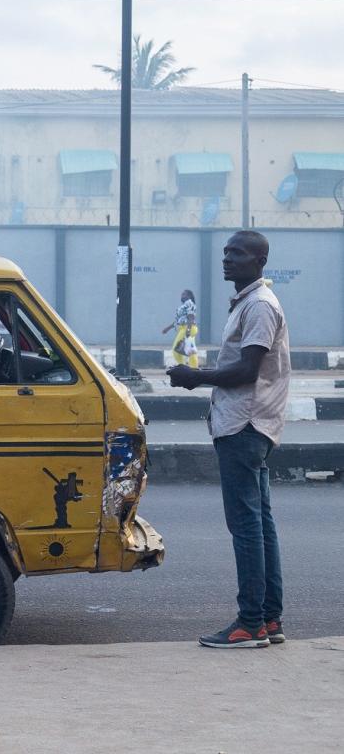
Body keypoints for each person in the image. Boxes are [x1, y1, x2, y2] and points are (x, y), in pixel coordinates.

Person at [168, 231, 290, 650]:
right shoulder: (251, 302)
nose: (227, 259)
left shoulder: (258, 305)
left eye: (237, 253)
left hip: (245, 425)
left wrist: (193, 378)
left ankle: (250, 623)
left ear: (259, 261)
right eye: (225, 252)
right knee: (260, 525)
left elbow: (246, 371)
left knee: (247, 528)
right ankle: (268, 618)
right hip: (252, 425)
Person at [162, 289, 200, 368]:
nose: (182, 296)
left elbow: (191, 317)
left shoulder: (189, 303)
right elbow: (179, 321)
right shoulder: (185, 305)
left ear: (189, 296)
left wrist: (188, 330)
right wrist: (167, 328)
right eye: (182, 294)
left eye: (184, 294)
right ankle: (191, 368)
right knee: (190, 349)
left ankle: (187, 367)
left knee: (176, 348)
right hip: (184, 328)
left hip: (188, 328)